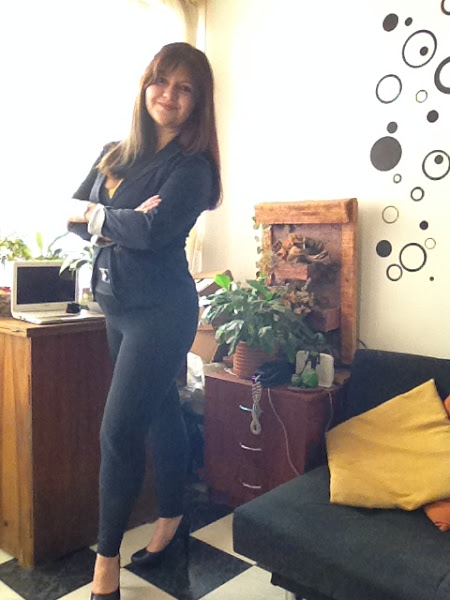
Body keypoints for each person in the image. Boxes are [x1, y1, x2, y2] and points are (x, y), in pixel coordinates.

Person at [67, 42, 221, 600]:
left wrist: (102, 215)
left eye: (185, 88)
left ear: (198, 101)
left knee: (118, 433)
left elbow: (153, 234)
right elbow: (71, 215)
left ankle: (105, 564)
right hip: (116, 305)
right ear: (145, 84)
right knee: (160, 411)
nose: (169, 95)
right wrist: (117, 218)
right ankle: (172, 519)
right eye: (161, 80)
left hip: (162, 311)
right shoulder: (114, 153)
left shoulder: (193, 168)